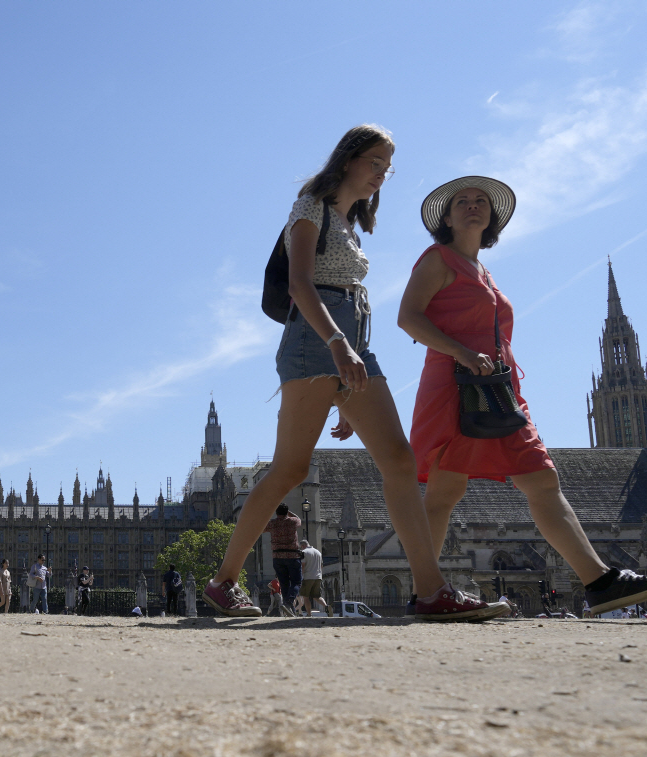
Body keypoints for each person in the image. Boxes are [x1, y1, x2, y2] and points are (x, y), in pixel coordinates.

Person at [202, 125, 499, 621]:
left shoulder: (348, 223)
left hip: (355, 345)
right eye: (376, 162)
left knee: (399, 462)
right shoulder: (309, 207)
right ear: (347, 160)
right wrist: (337, 345)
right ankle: (223, 581)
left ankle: (430, 590)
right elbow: (300, 285)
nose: (383, 174)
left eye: (388, 166)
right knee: (289, 470)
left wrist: (347, 377)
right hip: (317, 343)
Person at [398, 177, 647, 619]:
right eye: (463, 202)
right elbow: (408, 318)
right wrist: (462, 352)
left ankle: (599, 581)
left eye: (482, 202)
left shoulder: (482, 270)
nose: (473, 207)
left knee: (540, 478)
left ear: (491, 217)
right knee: (445, 490)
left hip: (498, 388)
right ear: (446, 217)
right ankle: (428, 592)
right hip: (456, 385)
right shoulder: (437, 259)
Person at [267, 504, 304, 614]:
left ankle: (290, 609)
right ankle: (288, 603)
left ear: (276, 513)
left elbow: (262, 528)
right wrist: (289, 513)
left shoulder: (272, 523)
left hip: (277, 557)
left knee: (284, 584)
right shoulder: (292, 521)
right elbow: (298, 519)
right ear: (287, 512)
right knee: (296, 582)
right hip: (292, 556)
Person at [298, 540, 331, 616]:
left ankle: (309, 614)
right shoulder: (318, 552)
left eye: (301, 547)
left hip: (308, 577)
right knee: (317, 596)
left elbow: (303, 565)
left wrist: (301, 576)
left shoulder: (304, 552)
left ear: (303, 546)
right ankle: (326, 606)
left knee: (306, 597)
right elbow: (321, 566)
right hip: (318, 577)